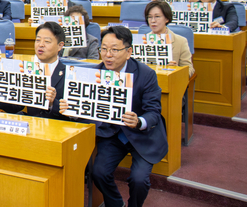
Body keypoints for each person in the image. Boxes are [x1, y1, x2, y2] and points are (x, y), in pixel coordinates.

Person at [60, 26, 168, 207]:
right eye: (104, 49)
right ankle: (116, 204)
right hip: (111, 133)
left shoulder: (146, 74)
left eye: (114, 50)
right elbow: (87, 111)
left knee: (139, 179)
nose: (108, 55)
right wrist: (71, 110)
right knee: (99, 172)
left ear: (128, 52)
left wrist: (139, 121)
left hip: (143, 135)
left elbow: (154, 112)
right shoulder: (94, 74)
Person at [0, 22, 68, 120]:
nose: (41, 45)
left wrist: (52, 103)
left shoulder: (68, 75)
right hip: (30, 127)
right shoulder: (27, 71)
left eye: (47, 41)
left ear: (60, 46)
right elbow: (15, 107)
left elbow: (74, 116)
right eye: (38, 40)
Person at [144, 1, 194, 77]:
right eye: (150, 17)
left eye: (157, 16)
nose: (153, 21)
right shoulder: (142, 40)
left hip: (170, 84)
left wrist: (177, 70)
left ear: (167, 19)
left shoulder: (181, 41)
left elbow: (190, 70)